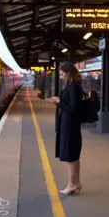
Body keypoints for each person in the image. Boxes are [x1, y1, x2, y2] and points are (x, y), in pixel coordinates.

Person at [47, 62, 83, 195]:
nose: (61, 77)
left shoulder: (73, 87)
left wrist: (58, 101)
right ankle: (77, 182)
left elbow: (73, 108)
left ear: (68, 74)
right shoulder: (71, 85)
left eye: (62, 74)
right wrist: (58, 101)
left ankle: (71, 185)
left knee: (70, 157)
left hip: (70, 126)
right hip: (69, 125)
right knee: (74, 156)